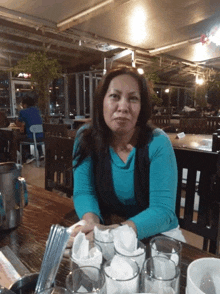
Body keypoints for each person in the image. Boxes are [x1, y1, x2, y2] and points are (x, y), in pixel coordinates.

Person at [72, 66, 185, 242]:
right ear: (102, 101)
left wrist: (111, 234)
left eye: (133, 98)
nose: (123, 107)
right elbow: (84, 191)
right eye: (114, 96)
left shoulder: (157, 142)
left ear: (142, 107)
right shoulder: (86, 137)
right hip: (109, 226)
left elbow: (163, 211)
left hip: (157, 235)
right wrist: (92, 224)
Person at [15, 95, 44, 163]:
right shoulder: (37, 110)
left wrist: (18, 122)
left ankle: (28, 156)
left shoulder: (23, 111)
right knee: (35, 135)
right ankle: (41, 154)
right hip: (42, 137)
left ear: (25, 104)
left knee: (18, 139)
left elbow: (18, 123)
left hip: (31, 138)